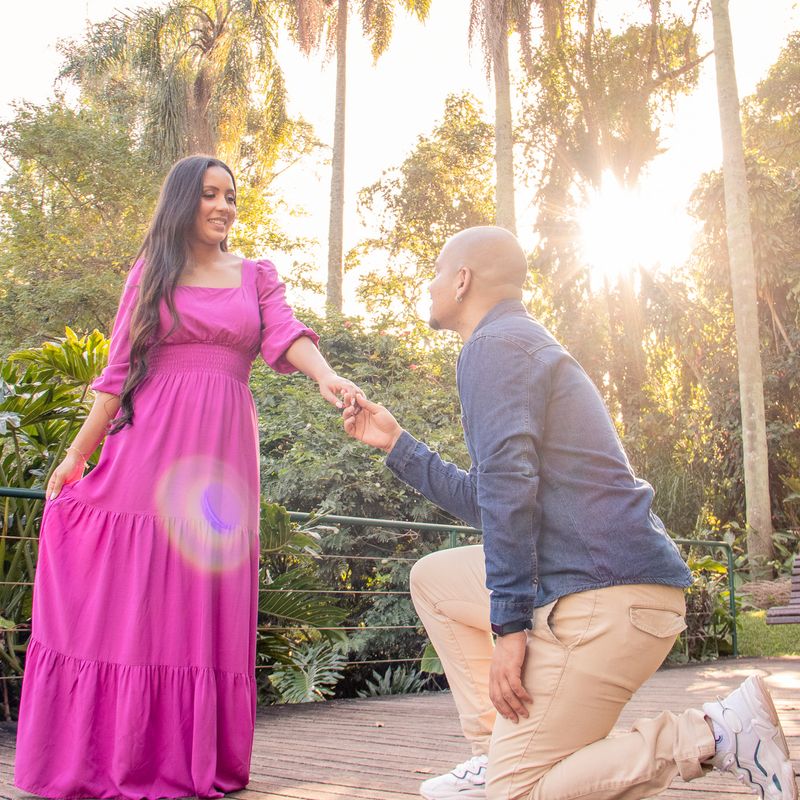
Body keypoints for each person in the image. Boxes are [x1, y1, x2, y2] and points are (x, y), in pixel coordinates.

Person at [342, 225, 797, 800]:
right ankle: (495, 753)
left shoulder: (494, 347)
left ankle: (716, 734)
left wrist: (509, 629)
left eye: (436, 271)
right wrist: (396, 444)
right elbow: (496, 499)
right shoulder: (514, 342)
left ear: (462, 280)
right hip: (602, 581)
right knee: (432, 578)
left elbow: (507, 492)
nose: (429, 284)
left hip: (607, 594)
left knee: (519, 796)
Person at [15, 155, 358, 800]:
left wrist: (327, 378)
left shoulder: (257, 275)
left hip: (222, 460)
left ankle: (191, 756)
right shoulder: (151, 273)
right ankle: (112, 754)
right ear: (183, 201)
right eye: (209, 194)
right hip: (149, 454)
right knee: (135, 591)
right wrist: (77, 457)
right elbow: (116, 375)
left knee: (200, 593)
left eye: (230, 195)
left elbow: (286, 336)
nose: (224, 205)